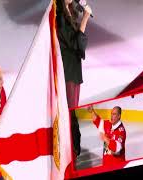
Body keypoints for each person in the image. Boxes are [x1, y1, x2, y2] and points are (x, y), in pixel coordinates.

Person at [56, 0, 92, 157]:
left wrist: (83, 17)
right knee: (71, 111)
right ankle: (72, 149)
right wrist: (85, 18)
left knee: (73, 110)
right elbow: (75, 43)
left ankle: (73, 149)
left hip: (74, 70)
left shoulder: (70, 13)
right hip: (68, 71)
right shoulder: (60, 17)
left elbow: (78, 43)